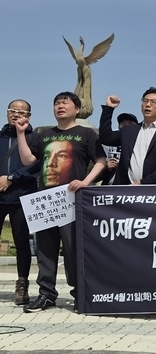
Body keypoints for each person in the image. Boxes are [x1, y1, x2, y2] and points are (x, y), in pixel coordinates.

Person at [15, 92, 106, 312]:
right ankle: (46, 294)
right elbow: (28, 160)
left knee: (73, 249)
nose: (60, 106)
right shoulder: (45, 134)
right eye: (57, 103)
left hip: (72, 200)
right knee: (45, 250)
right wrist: (21, 133)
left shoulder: (86, 134)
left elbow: (101, 161)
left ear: (77, 109)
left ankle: (80, 293)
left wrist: (85, 182)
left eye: (65, 103)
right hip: (46, 200)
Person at [0, 100, 40, 305]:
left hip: (22, 196)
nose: (15, 114)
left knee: (22, 242)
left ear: (28, 116)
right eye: (12, 111)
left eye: (20, 112)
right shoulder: (1, 136)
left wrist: (12, 178)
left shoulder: (35, 137)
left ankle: (22, 284)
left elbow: (37, 165)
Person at [99, 87, 156, 185]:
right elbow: (106, 138)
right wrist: (109, 109)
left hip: (154, 190)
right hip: (126, 189)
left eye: (153, 102)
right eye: (145, 101)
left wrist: (144, 182)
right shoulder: (129, 130)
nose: (148, 104)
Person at [100, 113, 138, 185]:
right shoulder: (106, 144)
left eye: (130, 124)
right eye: (123, 123)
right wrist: (106, 167)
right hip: (110, 187)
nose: (127, 126)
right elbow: (95, 176)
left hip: (134, 186)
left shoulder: (140, 144)